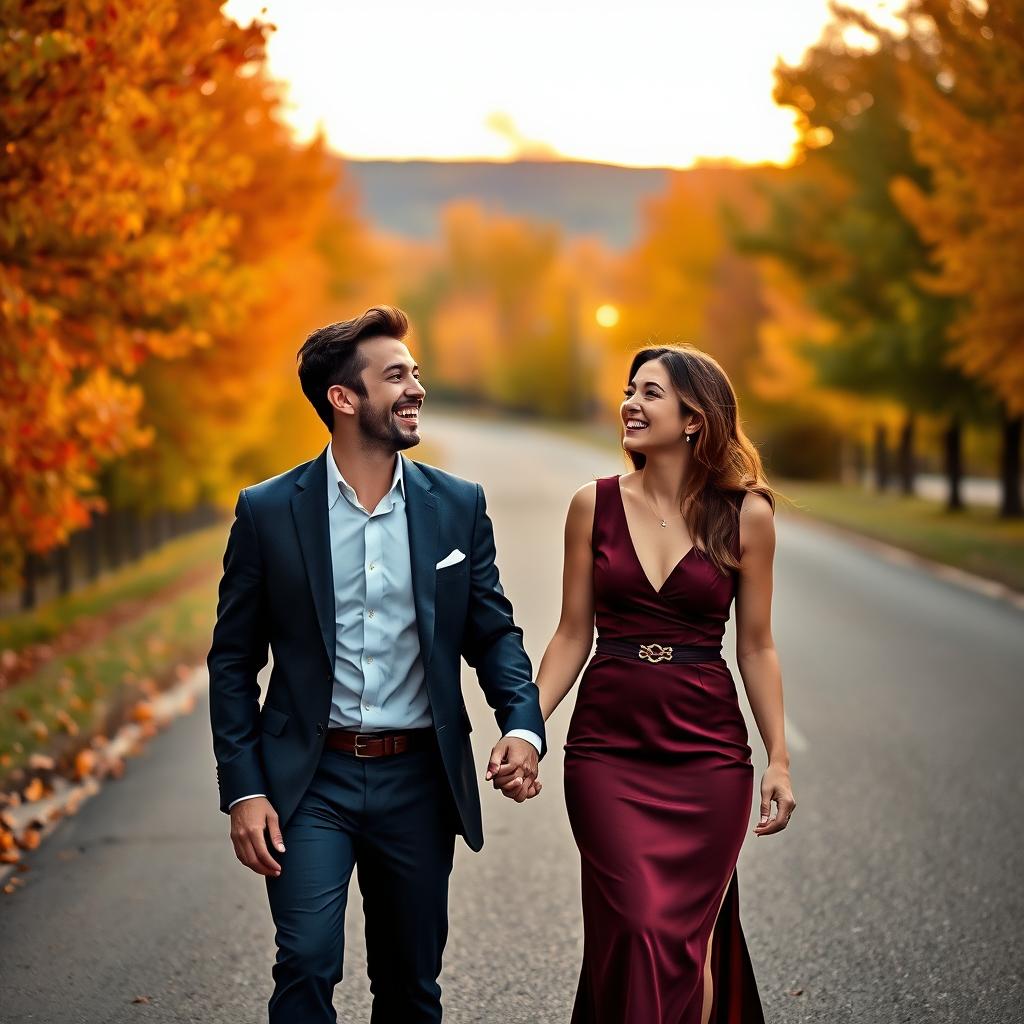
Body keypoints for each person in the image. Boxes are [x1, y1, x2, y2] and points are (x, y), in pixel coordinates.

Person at [207, 305, 545, 1023]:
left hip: (419, 780)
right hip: (309, 783)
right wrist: (243, 790)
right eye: (396, 375)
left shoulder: (456, 506)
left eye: (416, 372)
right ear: (343, 398)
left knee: (410, 986)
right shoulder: (268, 512)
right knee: (303, 962)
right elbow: (234, 662)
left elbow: (493, 634)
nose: (415, 387)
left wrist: (522, 724)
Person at [493, 343, 794, 1023]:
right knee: (633, 925)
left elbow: (758, 645)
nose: (631, 403)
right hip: (608, 748)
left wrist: (777, 758)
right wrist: (527, 730)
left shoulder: (747, 515)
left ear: (695, 418)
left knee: (688, 939)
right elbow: (572, 633)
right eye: (631, 391)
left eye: (650, 393)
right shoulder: (590, 506)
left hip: (707, 754)